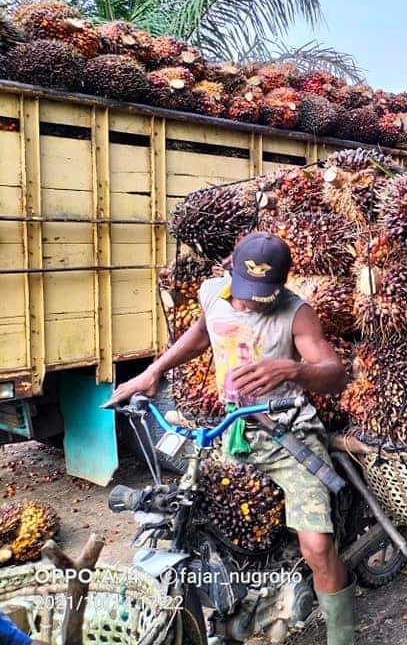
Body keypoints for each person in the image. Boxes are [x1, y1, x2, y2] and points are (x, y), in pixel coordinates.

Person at [108, 232, 354, 645]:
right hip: (235, 433)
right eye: (244, 291)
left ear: (282, 283)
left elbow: (335, 374)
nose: (249, 303)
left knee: (315, 546)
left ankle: (342, 636)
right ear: (231, 271)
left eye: (262, 295)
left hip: (290, 437)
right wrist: (153, 372)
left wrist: (293, 370)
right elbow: (202, 334)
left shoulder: (296, 313)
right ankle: (245, 603)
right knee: (214, 525)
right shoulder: (213, 294)